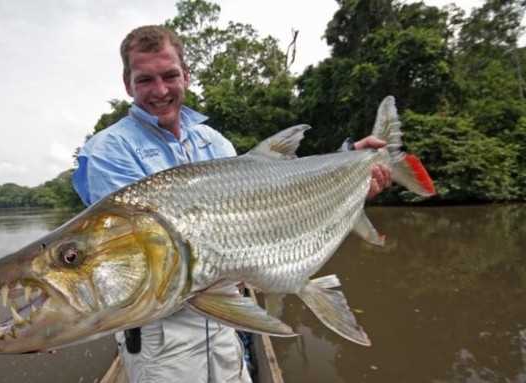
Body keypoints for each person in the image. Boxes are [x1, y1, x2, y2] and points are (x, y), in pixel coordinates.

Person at [73, 25, 391, 383]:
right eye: (145, 79)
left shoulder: (215, 141)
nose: (160, 90)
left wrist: (351, 168)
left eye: (169, 75)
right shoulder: (108, 151)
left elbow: (268, 203)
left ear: (186, 76)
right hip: (162, 341)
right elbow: (134, 265)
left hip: (226, 323)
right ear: (128, 83)